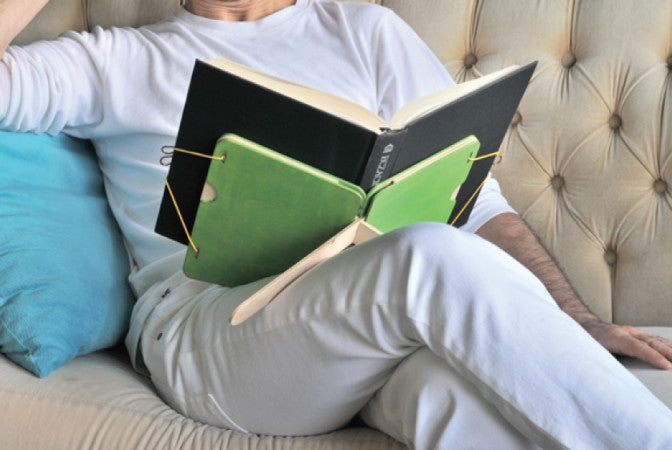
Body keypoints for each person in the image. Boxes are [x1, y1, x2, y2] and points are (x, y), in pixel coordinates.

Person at [2, 0, 672, 448]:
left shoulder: (365, 30)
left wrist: (577, 320)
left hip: (365, 330)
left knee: (457, 404)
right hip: (211, 332)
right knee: (426, 257)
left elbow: (477, 205)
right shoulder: (111, 60)